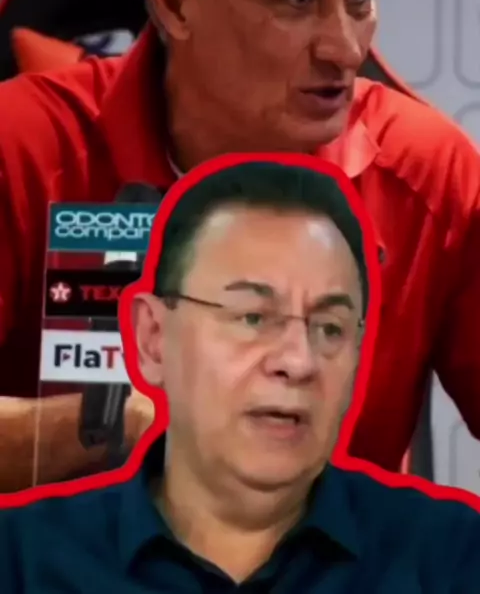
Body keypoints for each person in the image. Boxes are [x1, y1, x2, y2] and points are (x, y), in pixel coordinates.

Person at [0, 0, 479, 490]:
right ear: (175, 1)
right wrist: (118, 424)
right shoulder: (22, 145)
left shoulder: (426, 172)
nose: (345, 49)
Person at [1, 158, 479, 593]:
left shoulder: (451, 558)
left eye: (330, 328)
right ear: (152, 338)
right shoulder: (21, 559)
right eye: (252, 318)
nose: (298, 362)